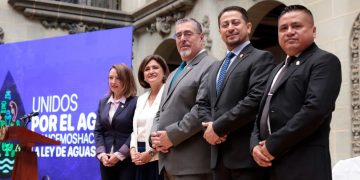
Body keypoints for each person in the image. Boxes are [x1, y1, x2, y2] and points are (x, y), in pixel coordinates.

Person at [250, 5, 342, 180]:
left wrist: (272, 145)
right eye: (283, 28)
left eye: (296, 26)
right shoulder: (276, 69)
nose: (289, 32)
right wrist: (254, 145)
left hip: (304, 165)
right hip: (269, 166)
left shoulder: (324, 61)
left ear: (313, 31)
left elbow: (314, 111)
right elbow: (261, 112)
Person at [198, 6, 275, 180]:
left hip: (245, 157)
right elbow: (202, 103)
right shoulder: (215, 67)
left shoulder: (261, 58)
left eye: (235, 23)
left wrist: (218, 127)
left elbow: (255, 100)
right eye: (225, 25)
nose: (230, 28)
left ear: (248, 27)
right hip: (218, 157)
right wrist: (210, 127)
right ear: (219, 31)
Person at [150, 18, 217, 180]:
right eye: (178, 35)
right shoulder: (173, 73)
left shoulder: (211, 65)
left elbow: (201, 110)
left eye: (188, 34)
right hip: (168, 163)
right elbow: (161, 110)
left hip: (192, 165)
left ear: (201, 38)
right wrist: (155, 137)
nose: (182, 39)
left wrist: (171, 137)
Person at [94, 64, 138, 180]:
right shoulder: (103, 102)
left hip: (127, 161)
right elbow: (98, 131)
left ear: (127, 80)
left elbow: (136, 132)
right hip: (106, 160)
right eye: (110, 78)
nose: (113, 81)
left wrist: (119, 155)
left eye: (118, 78)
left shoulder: (136, 102)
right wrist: (102, 154)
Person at [130, 54, 169, 180]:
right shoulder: (141, 99)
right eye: (147, 69)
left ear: (164, 72)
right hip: (139, 159)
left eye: (155, 68)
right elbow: (135, 130)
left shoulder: (168, 94)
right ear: (143, 76)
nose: (151, 71)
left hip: (160, 159)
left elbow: (167, 127)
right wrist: (132, 150)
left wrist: (151, 152)